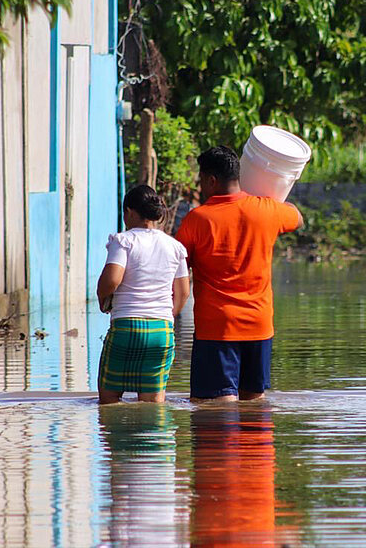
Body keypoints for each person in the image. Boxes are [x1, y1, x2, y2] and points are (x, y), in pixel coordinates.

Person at [175, 146, 302, 402]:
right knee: (254, 402)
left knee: (215, 406)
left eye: (201, 180)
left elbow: (176, 266)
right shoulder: (268, 210)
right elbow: (297, 218)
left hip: (216, 328)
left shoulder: (197, 220)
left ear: (212, 180)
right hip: (259, 325)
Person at [96, 184, 190, 404]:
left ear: (129, 212)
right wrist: (167, 317)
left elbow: (112, 279)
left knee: (109, 399)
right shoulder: (174, 246)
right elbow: (184, 292)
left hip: (126, 328)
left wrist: (102, 298)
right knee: (153, 402)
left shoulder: (124, 241)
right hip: (162, 332)